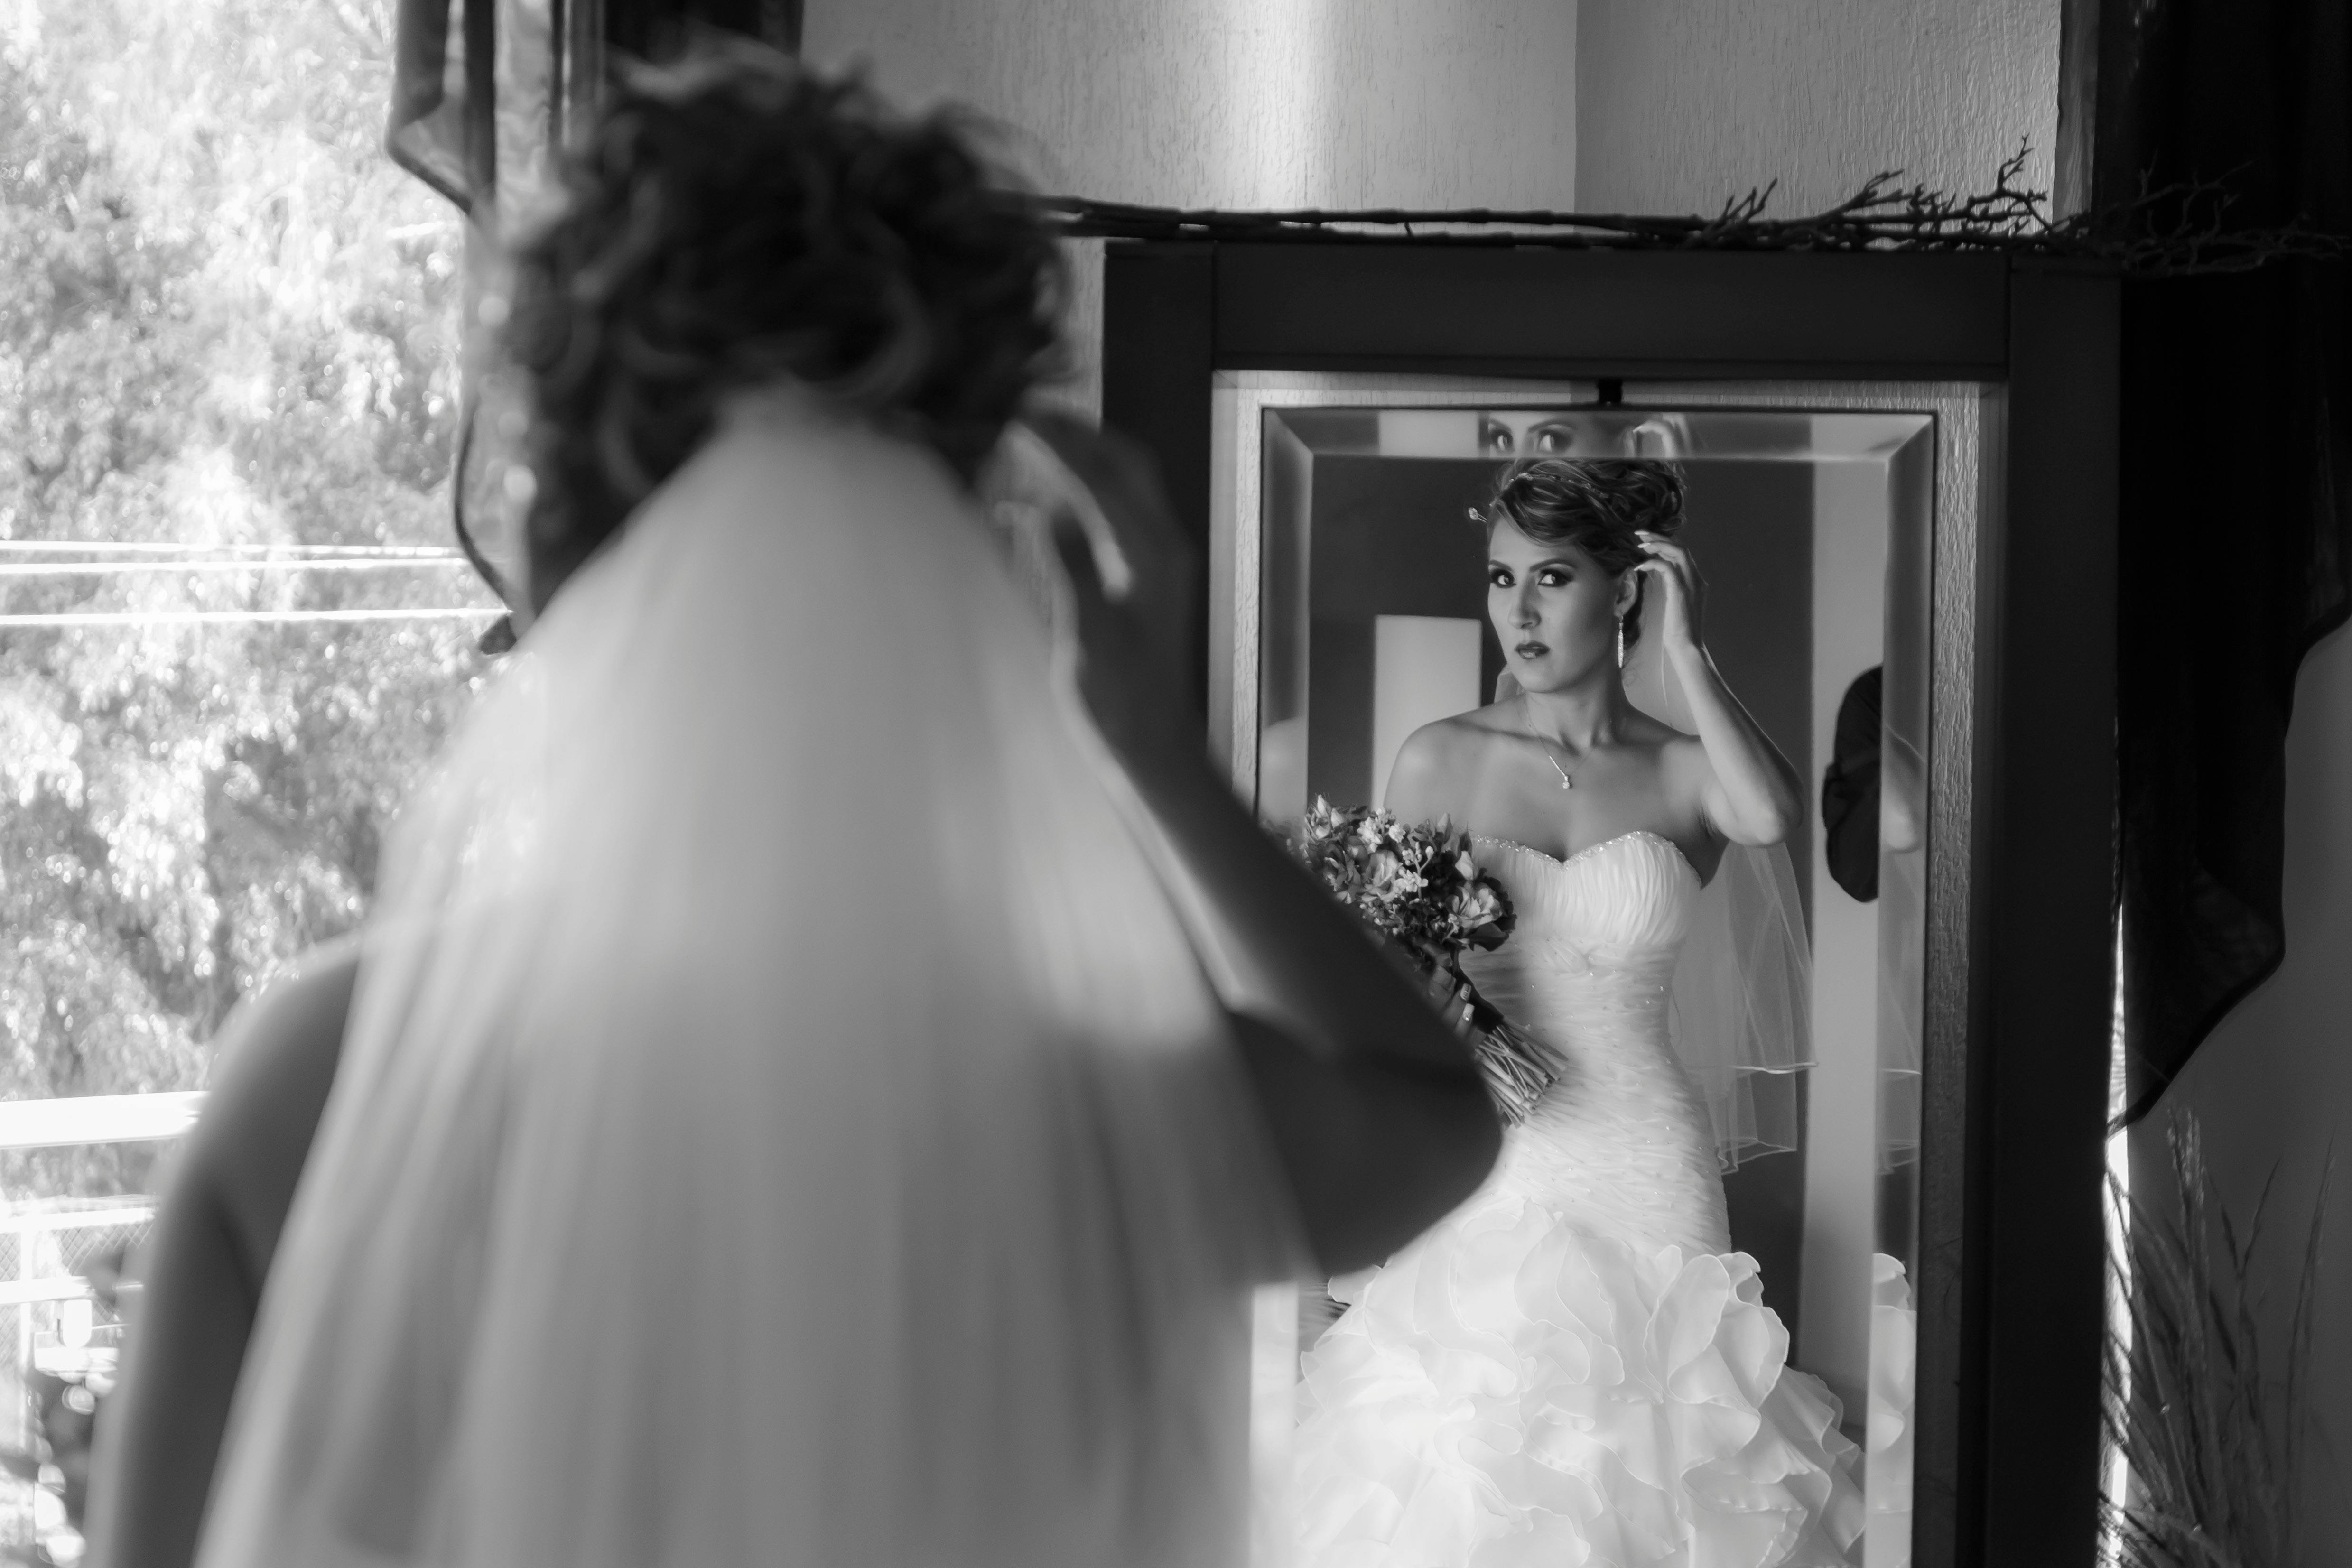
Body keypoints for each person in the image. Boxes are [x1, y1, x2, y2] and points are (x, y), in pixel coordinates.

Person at [84, 46, 1501, 1568]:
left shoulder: (316, 1087)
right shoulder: (1081, 1102)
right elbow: (1429, 1118)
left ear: (546, 549)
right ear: (969, 550)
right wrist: (1155, 754)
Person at [1291, 458, 1866, 1567]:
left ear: (1627, 591)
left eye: (1551, 577)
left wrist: (1687, 653)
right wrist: (1431, 1018)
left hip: (1644, 1155)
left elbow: (1769, 814)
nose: (1518, 609)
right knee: (1471, 1458)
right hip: (1485, 1157)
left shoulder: (1687, 771)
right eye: (1502, 578)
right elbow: (1376, 966)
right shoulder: (1441, 757)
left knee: (1666, 1453)